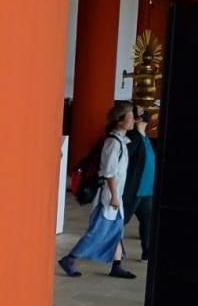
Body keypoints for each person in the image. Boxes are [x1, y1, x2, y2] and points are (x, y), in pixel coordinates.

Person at [59, 101, 136, 279]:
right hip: (108, 196)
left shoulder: (121, 142)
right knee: (98, 232)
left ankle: (117, 265)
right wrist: (114, 196)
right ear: (120, 120)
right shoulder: (113, 143)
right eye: (130, 117)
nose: (133, 120)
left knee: (117, 231)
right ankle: (70, 258)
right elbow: (109, 172)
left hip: (115, 195)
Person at [122, 105, 156, 260]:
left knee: (147, 222)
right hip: (135, 188)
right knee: (122, 220)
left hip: (147, 189)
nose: (145, 112)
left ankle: (147, 251)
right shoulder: (133, 137)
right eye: (141, 111)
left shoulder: (146, 137)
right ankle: (115, 251)